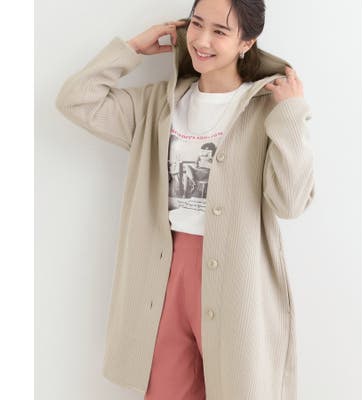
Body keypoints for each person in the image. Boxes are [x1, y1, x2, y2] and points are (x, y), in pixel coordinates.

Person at [55, 0, 315, 399]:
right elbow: (76, 100)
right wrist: (132, 49)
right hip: (162, 274)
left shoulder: (266, 109)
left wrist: (291, 115)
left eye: (220, 31)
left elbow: (291, 203)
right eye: (196, 24)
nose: (202, 40)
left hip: (237, 278)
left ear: (247, 42)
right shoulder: (156, 105)